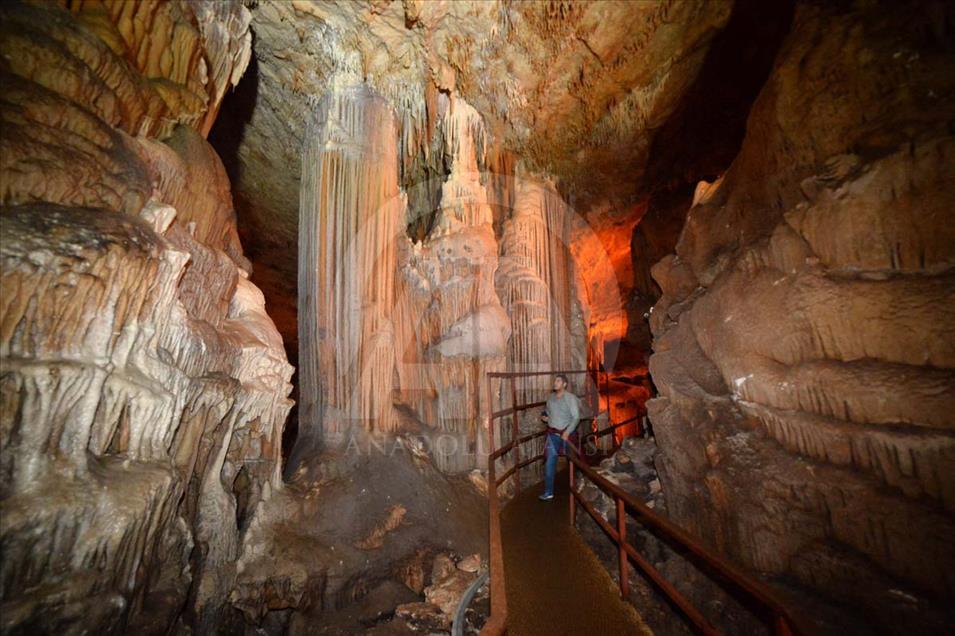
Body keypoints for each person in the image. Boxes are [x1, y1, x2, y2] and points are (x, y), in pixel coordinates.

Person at [538, 374, 580, 501]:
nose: (555, 382)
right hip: (553, 434)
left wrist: (567, 432)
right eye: (555, 380)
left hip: (567, 434)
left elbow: (576, 417)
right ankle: (548, 492)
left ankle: (578, 487)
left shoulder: (570, 398)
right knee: (550, 462)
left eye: (558, 381)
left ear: (564, 384)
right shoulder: (550, 398)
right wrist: (545, 417)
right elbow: (548, 412)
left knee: (573, 461)